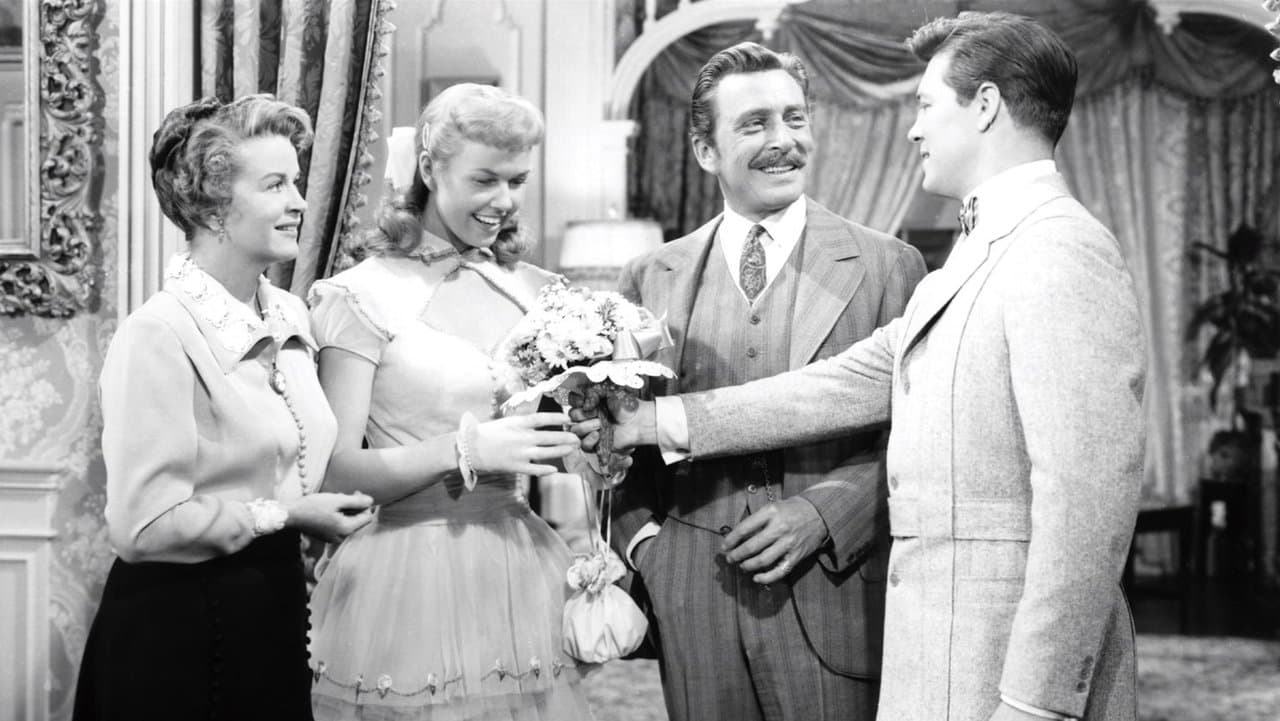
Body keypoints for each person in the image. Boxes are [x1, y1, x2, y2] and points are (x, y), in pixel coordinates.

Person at [585, 13, 1146, 721]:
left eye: (925, 105)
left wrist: (1039, 703)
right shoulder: (973, 256)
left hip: (993, 663)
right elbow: (842, 385)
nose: (912, 130)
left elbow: (1087, 506)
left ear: (985, 107)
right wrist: (651, 425)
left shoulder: (1060, 248)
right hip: (933, 649)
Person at [607, 41, 927, 721]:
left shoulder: (889, 265)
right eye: (754, 124)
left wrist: (824, 515)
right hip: (693, 605)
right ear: (706, 151)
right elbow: (615, 438)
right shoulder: (649, 276)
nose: (784, 140)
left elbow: (919, 437)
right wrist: (649, 551)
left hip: (833, 592)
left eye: (795, 118)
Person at [73, 94, 376, 721]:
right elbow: (142, 527)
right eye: (275, 185)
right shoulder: (157, 334)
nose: (299, 202)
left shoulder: (289, 313)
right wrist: (288, 514)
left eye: (296, 181)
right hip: (177, 630)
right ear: (213, 207)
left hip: (270, 613)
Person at [306, 83, 594, 721]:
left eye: (517, 181)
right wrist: (463, 448)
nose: (504, 201)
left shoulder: (541, 292)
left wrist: (595, 443)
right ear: (429, 169)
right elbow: (335, 474)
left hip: (520, 561)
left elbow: (558, 437)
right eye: (484, 179)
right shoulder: (361, 295)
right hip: (404, 574)